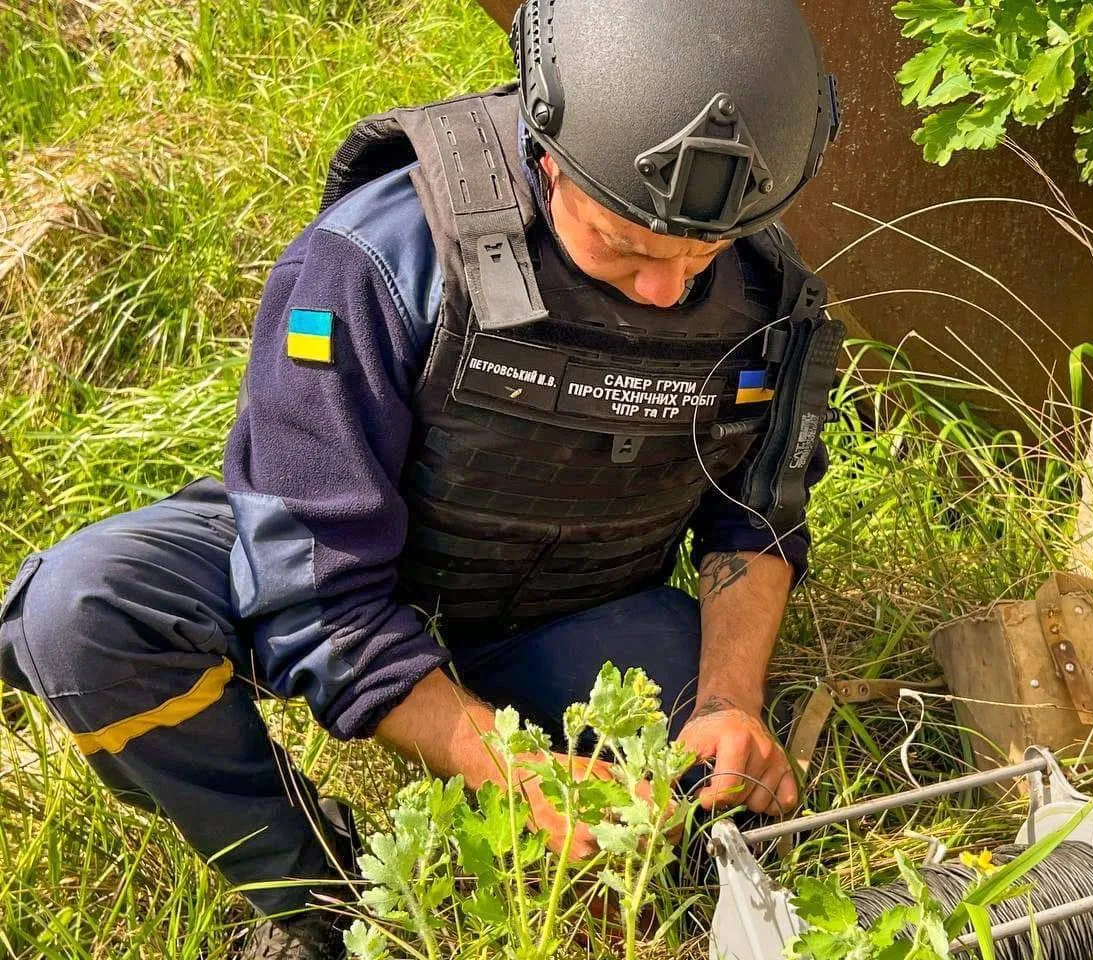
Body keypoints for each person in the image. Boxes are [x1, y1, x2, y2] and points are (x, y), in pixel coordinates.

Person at [0, 0, 842, 956]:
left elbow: (756, 520)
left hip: (577, 608)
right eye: (627, 246)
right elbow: (316, 588)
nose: (665, 287)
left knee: (706, 813)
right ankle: (327, 899)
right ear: (548, 152)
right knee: (81, 614)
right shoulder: (374, 259)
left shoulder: (768, 295)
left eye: (701, 255)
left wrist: (731, 702)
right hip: (353, 561)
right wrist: (507, 772)